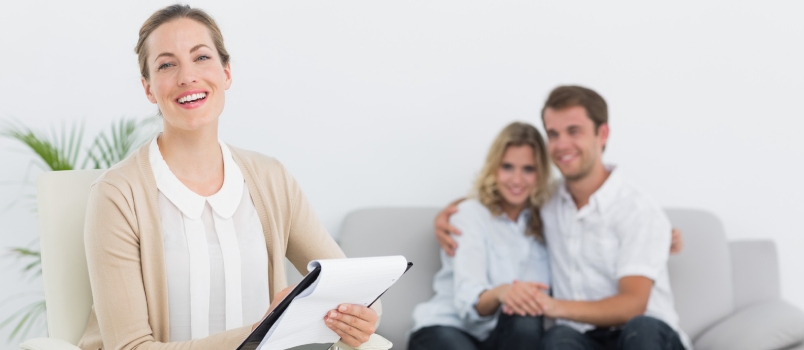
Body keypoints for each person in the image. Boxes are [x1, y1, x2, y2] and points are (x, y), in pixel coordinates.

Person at [79, 5, 378, 349]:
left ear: (227, 73)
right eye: (166, 64)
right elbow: (129, 347)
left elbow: (356, 290)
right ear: (148, 89)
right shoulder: (117, 195)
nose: (187, 76)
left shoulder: (271, 178)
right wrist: (258, 331)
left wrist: (358, 317)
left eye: (201, 58)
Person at [434, 86, 690, 350]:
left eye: (573, 131)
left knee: (642, 327)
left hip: (643, 338)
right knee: (558, 339)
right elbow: (503, 199)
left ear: (602, 134)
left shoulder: (637, 209)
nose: (561, 144)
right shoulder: (549, 202)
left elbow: (633, 305)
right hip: (583, 339)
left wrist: (550, 305)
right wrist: (450, 213)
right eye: (553, 134)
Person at [409, 122, 552, 350]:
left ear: (541, 173)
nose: (517, 180)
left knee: (526, 318)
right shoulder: (469, 215)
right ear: (494, 168)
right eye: (507, 167)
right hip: (448, 328)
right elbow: (469, 303)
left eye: (528, 169)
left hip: (503, 337)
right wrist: (502, 292)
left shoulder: (547, 221)